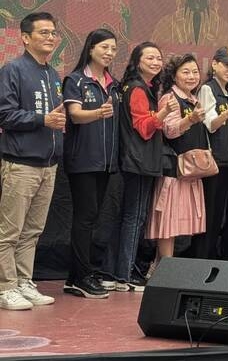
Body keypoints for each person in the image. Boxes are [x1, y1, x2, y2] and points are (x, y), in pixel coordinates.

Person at [0, 12, 65, 310]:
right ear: (25, 37)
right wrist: (43, 119)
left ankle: (24, 282)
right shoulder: (12, 70)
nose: (50, 37)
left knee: (33, 231)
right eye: (43, 32)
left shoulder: (52, 74)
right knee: (9, 231)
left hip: (48, 164)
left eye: (53, 33)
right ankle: (5, 287)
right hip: (21, 163)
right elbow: (5, 114)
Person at [113, 42, 176, 292]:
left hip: (142, 162)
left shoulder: (145, 88)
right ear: (137, 61)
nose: (155, 62)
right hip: (138, 162)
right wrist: (162, 114)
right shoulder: (137, 89)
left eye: (158, 58)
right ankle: (124, 274)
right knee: (134, 217)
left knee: (136, 217)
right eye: (149, 57)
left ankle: (125, 272)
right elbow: (144, 128)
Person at [62, 29, 120, 299]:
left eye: (113, 49)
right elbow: (74, 116)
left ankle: (80, 274)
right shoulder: (76, 80)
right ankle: (80, 277)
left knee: (93, 217)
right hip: (83, 159)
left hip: (106, 162)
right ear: (91, 48)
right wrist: (98, 113)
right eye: (104, 47)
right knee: (84, 218)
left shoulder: (114, 84)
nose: (109, 53)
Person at [147, 54, 208, 264]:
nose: (191, 76)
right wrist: (190, 120)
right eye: (185, 72)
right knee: (168, 223)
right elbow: (170, 130)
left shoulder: (194, 99)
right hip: (174, 169)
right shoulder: (169, 98)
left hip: (190, 170)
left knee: (179, 224)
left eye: (195, 72)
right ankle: (164, 270)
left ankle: (161, 267)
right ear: (174, 76)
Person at [193, 47, 228, 260]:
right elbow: (210, 124)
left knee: (220, 213)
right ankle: (203, 257)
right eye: (226, 65)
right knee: (210, 213)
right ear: (214, 64)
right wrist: (226, 114)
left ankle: (214, 254)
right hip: (214, 161)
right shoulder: (208, 89)